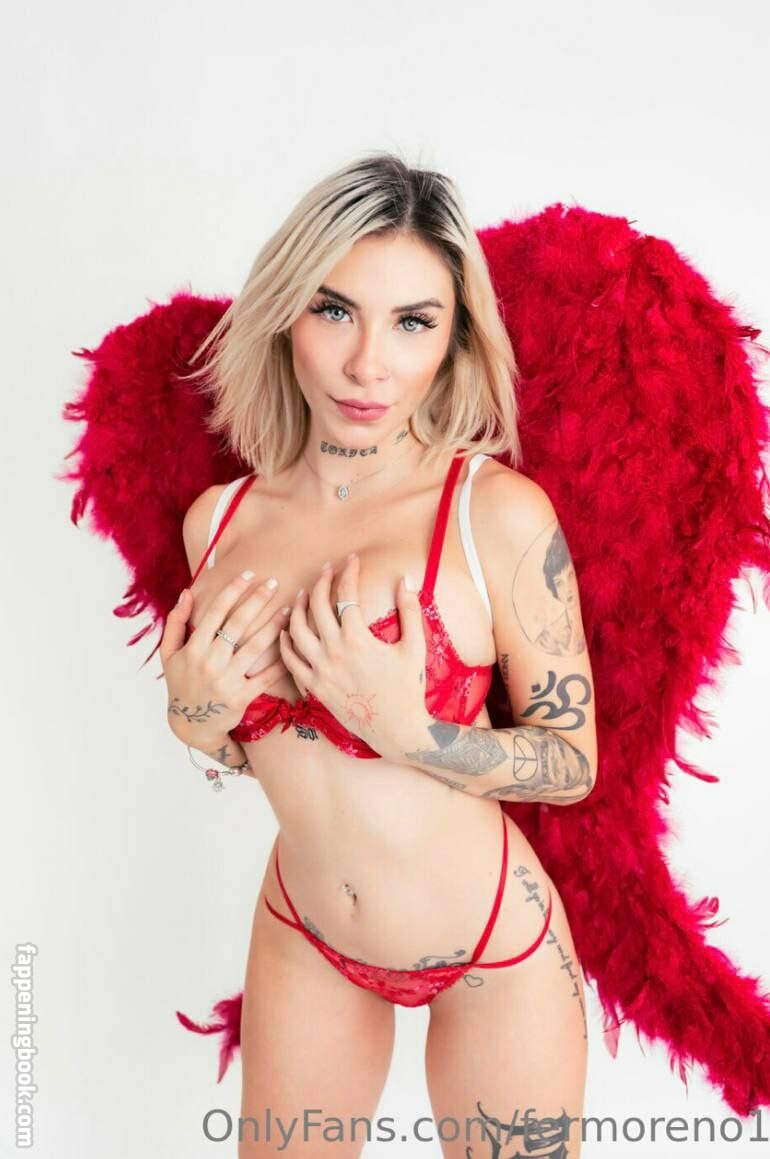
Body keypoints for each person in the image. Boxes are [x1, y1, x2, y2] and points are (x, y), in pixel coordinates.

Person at [158, 152, 597, 1158]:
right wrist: (194, 717)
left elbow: (572, 762)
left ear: (453, 339)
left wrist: (413, 731)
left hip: (492, 950)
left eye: (412, 322)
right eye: (334, 310)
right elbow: (263, 751)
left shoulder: (493, 514)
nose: (368, 364)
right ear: (284, 312)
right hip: (305, 934)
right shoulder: (217, 524)